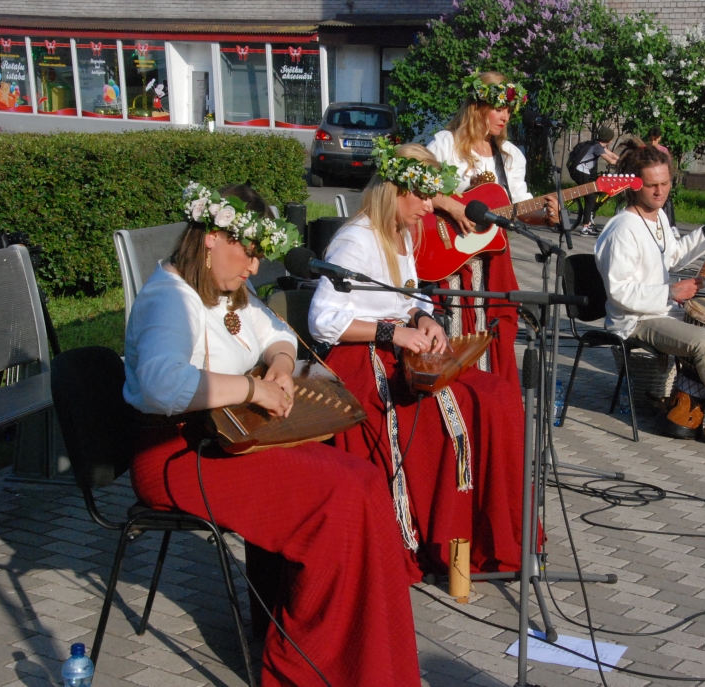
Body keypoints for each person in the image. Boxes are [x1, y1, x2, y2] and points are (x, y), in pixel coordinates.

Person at [123, 183, 420, 687]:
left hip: (229, 436)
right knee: (337, 498)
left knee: (364, 480)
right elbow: (158, 384)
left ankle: (367, 660)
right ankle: (305, 667)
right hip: (175, 454)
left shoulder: (226, 290)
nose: (255, 267)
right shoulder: (168, 299)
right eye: (250, 251)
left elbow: (277, 333)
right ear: (213, 237)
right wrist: (252, 388)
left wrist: (280, 365)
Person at [309, 140, 528, 584]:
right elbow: (323, 320)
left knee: (499, 396)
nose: (430, 207)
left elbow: (405, 295)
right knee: (465, 409)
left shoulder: (401, 233)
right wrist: (395, 331)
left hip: (398, 353)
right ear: (395, 190)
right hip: (362, 364)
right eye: (424, 196)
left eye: (433, 196)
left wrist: (423, 316)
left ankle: (484, 538)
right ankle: (441, 545)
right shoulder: (357, 239)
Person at [594, 140, 705, 445]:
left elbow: (674, 255)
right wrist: (670, 291)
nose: (660, 191)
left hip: (662, 309)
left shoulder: (659, 216)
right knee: (703, 340)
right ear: (634, 186)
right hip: (635, 319)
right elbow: (618, 292)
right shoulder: (622, 229)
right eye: (652, 185)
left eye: (665, 183)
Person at [426, 71, 558, 389]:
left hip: (491, 258)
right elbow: (420, 184)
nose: (505, 116)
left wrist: (545, 215)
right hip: (449, 255)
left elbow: (520, 206)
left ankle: (484, 390)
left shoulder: (510, 155)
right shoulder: (446, 144)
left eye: (509, 110)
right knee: (454, 325)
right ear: (478, 107)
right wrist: (454, 206)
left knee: (494, 327)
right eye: (499, 107)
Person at [569, 125, 620, 236]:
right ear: (609, 139)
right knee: (590, 198)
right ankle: (585, 228)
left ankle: (589, 222)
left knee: (597, 189)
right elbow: (611, 160)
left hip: (584, 172)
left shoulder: (597, 144)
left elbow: (611, 154)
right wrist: (621, 163)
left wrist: (623, 160)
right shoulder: (597, 148)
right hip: (580, 173)